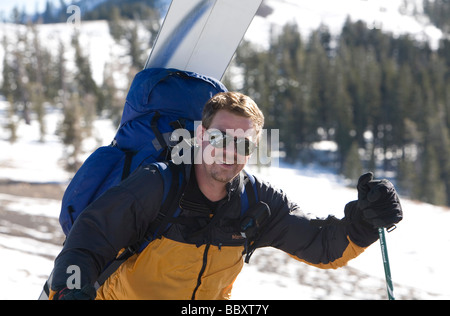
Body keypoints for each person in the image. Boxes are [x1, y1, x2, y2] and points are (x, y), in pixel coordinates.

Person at [50, 92, 403, 300]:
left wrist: (366, 220)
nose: (229, 151)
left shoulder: (258, 203)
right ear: (201, 135)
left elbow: (323, 246)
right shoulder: (156, 185)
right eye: (220, 137)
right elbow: (85, 245)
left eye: (242, 143)